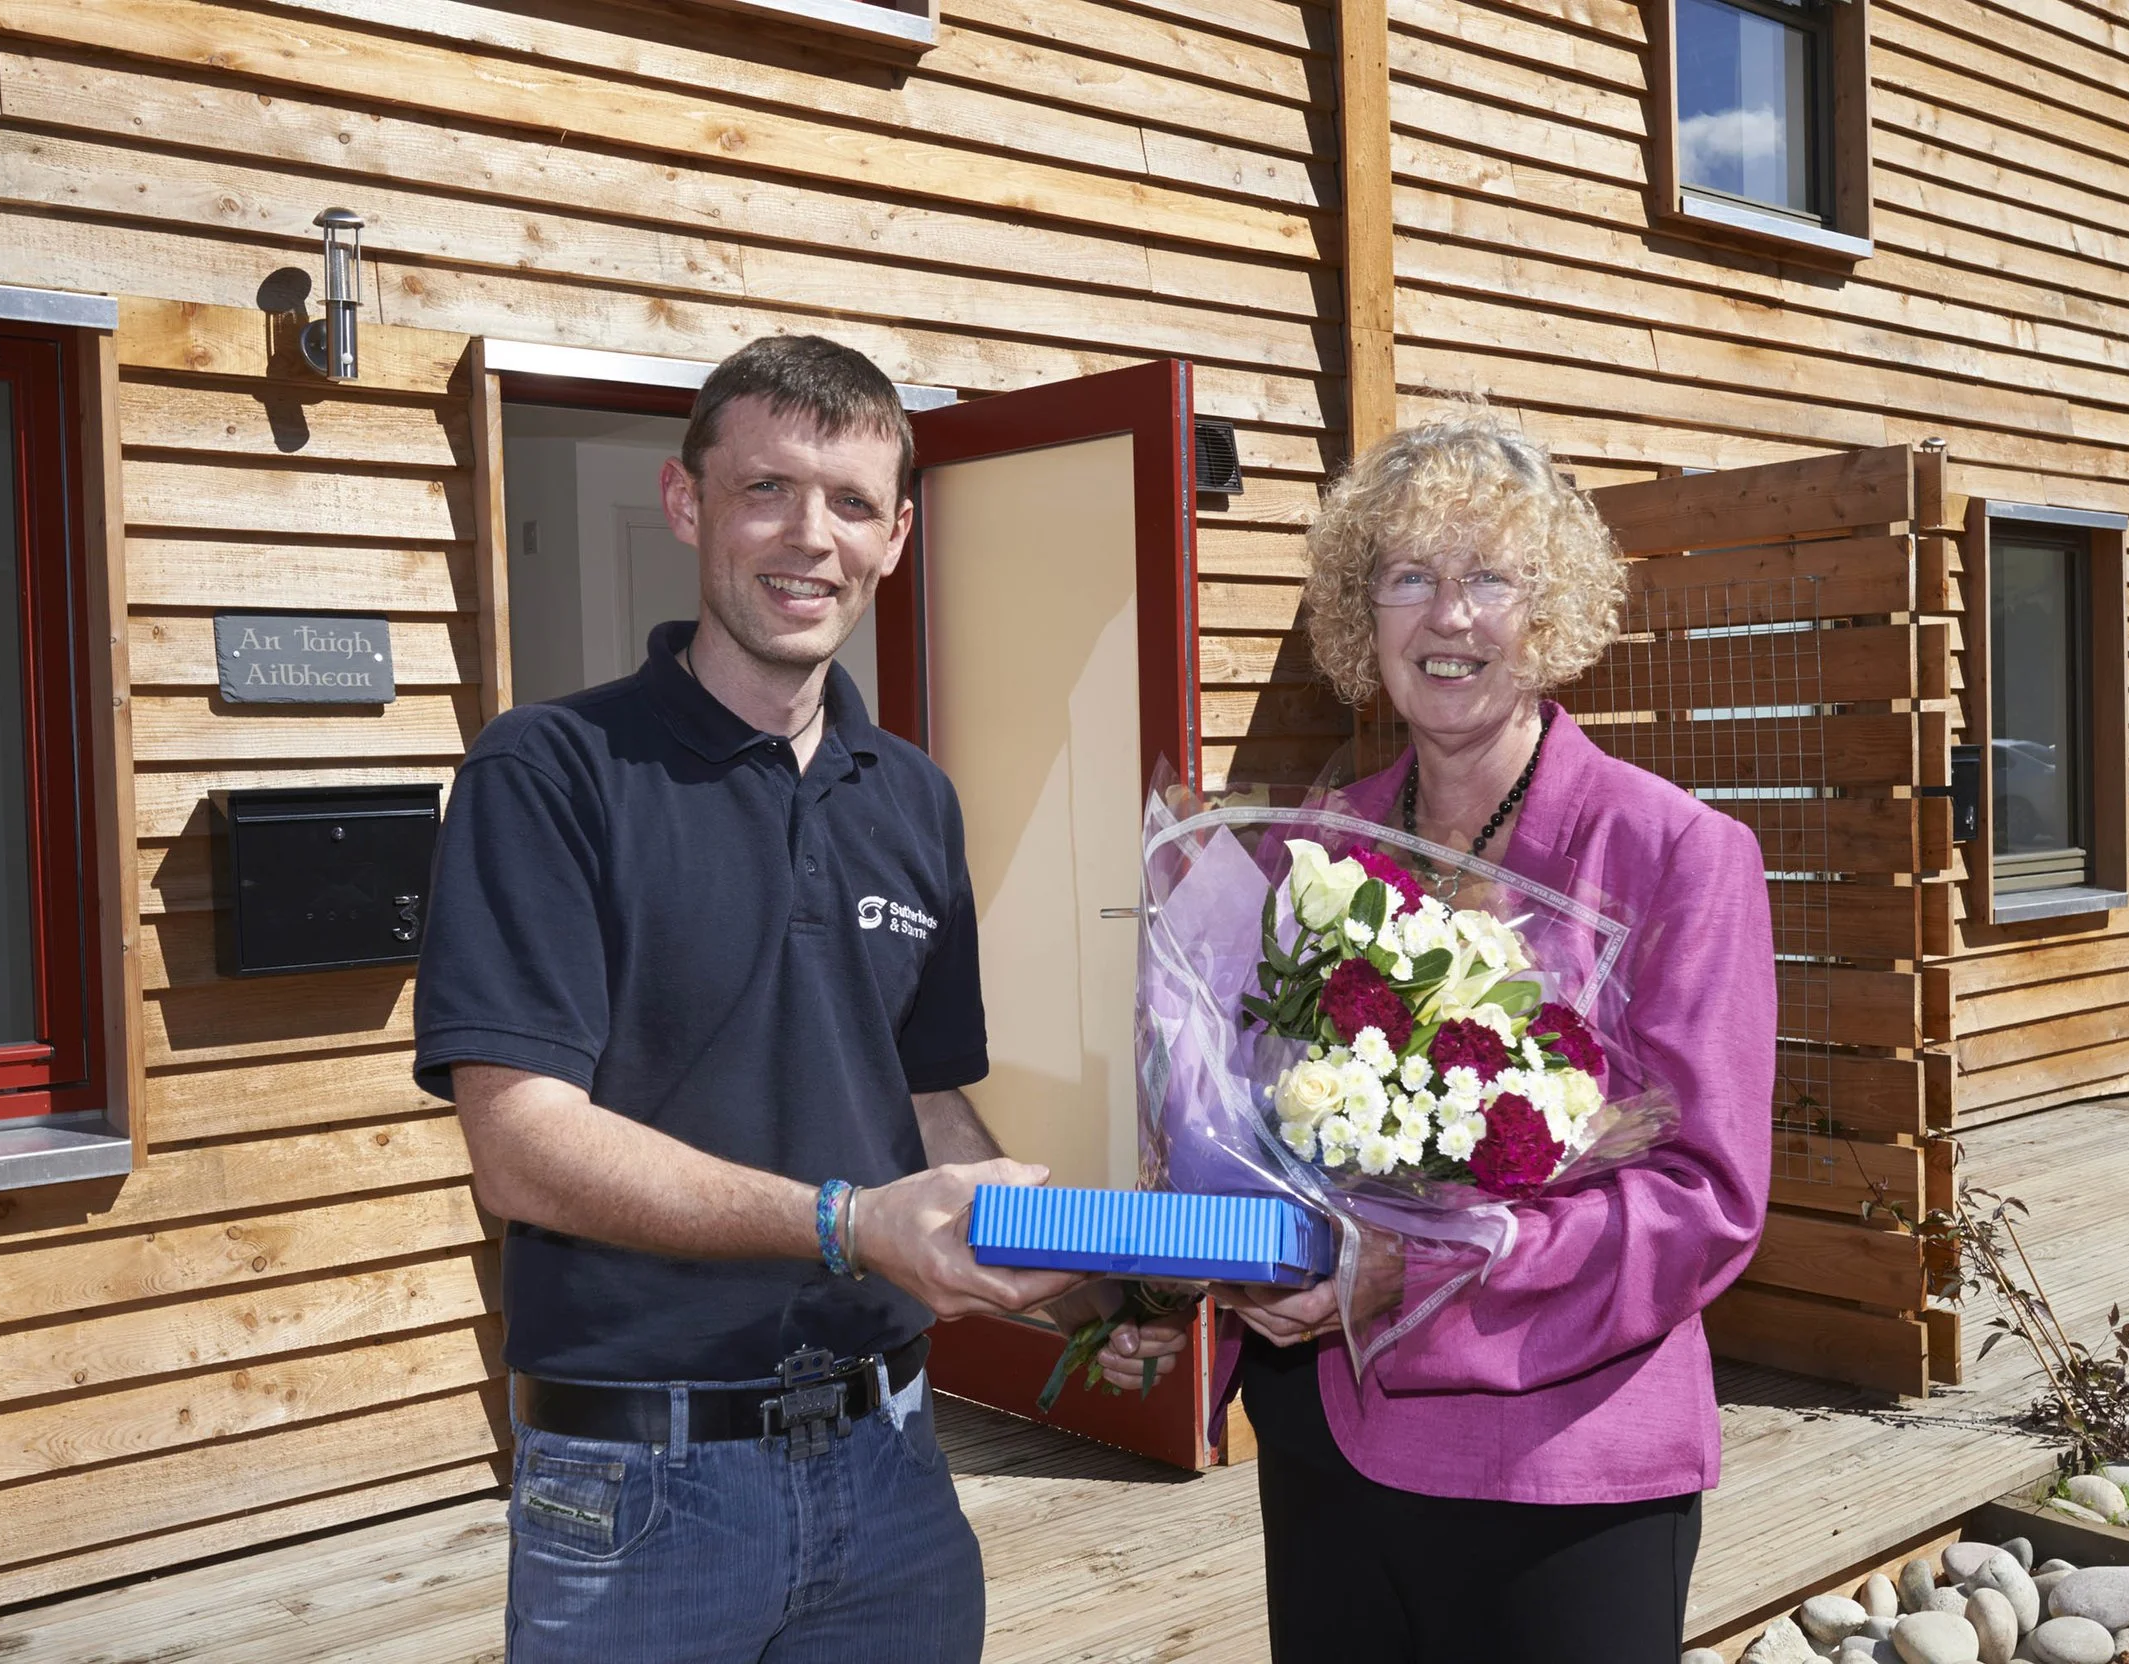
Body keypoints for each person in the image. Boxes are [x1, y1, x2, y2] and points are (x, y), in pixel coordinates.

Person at [413, 334, 1167, 1664]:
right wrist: (850, 1224)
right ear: (688, 503)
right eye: (767, 488)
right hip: (642, 1488)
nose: (809, 536)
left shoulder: (915, 801)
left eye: (853, 502)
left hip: (889, 1471)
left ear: (897, 538)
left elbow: (924, 1106)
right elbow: (520, 1143)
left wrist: (1094, 1303)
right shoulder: (551, 771)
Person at [1207, 415, 1777, 1664]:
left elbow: (1703, 1200)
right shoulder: (1315, 845)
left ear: (1549, 610)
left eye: (1488, 578)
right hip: (1328, 1440)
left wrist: (1421, 1270)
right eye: (1408, 576)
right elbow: (1235, 1117)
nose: (1447, 616)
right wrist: (1197, 1259)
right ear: (1365, 617)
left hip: (1562, 1468)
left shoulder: (1675, 852)